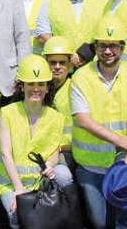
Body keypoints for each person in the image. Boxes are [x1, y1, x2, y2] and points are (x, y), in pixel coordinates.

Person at [71, 16, 127, 229]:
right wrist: (122, 142)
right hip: (92, 163)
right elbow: (84, 121)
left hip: (126, 158)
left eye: (114, 46)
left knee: (126, 219)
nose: (108, 51)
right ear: (95, 47)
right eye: (103, 45)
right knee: (100, 222)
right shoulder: (81, 77)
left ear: (122, 47)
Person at [0, 54, 74, 229]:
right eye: (30, 84)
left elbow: (53, 151)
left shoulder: (56, 118)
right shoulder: (7, 113)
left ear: (47, 88)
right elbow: (6, 154)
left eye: (41, 84)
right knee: (17, 215)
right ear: (22, 87)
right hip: (10, 182)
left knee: (63, 175)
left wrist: (50, 167)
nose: (35, 89)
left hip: (39, 180)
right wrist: (19, 190)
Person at [42, 36, 75, 168]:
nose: (57, 67)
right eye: (53, 62)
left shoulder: (75, 89)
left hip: (67, 149)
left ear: (70, 64)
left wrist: (61, 146)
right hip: (42, 147)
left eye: (62, 63)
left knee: (60, 171)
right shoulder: (38, 89)